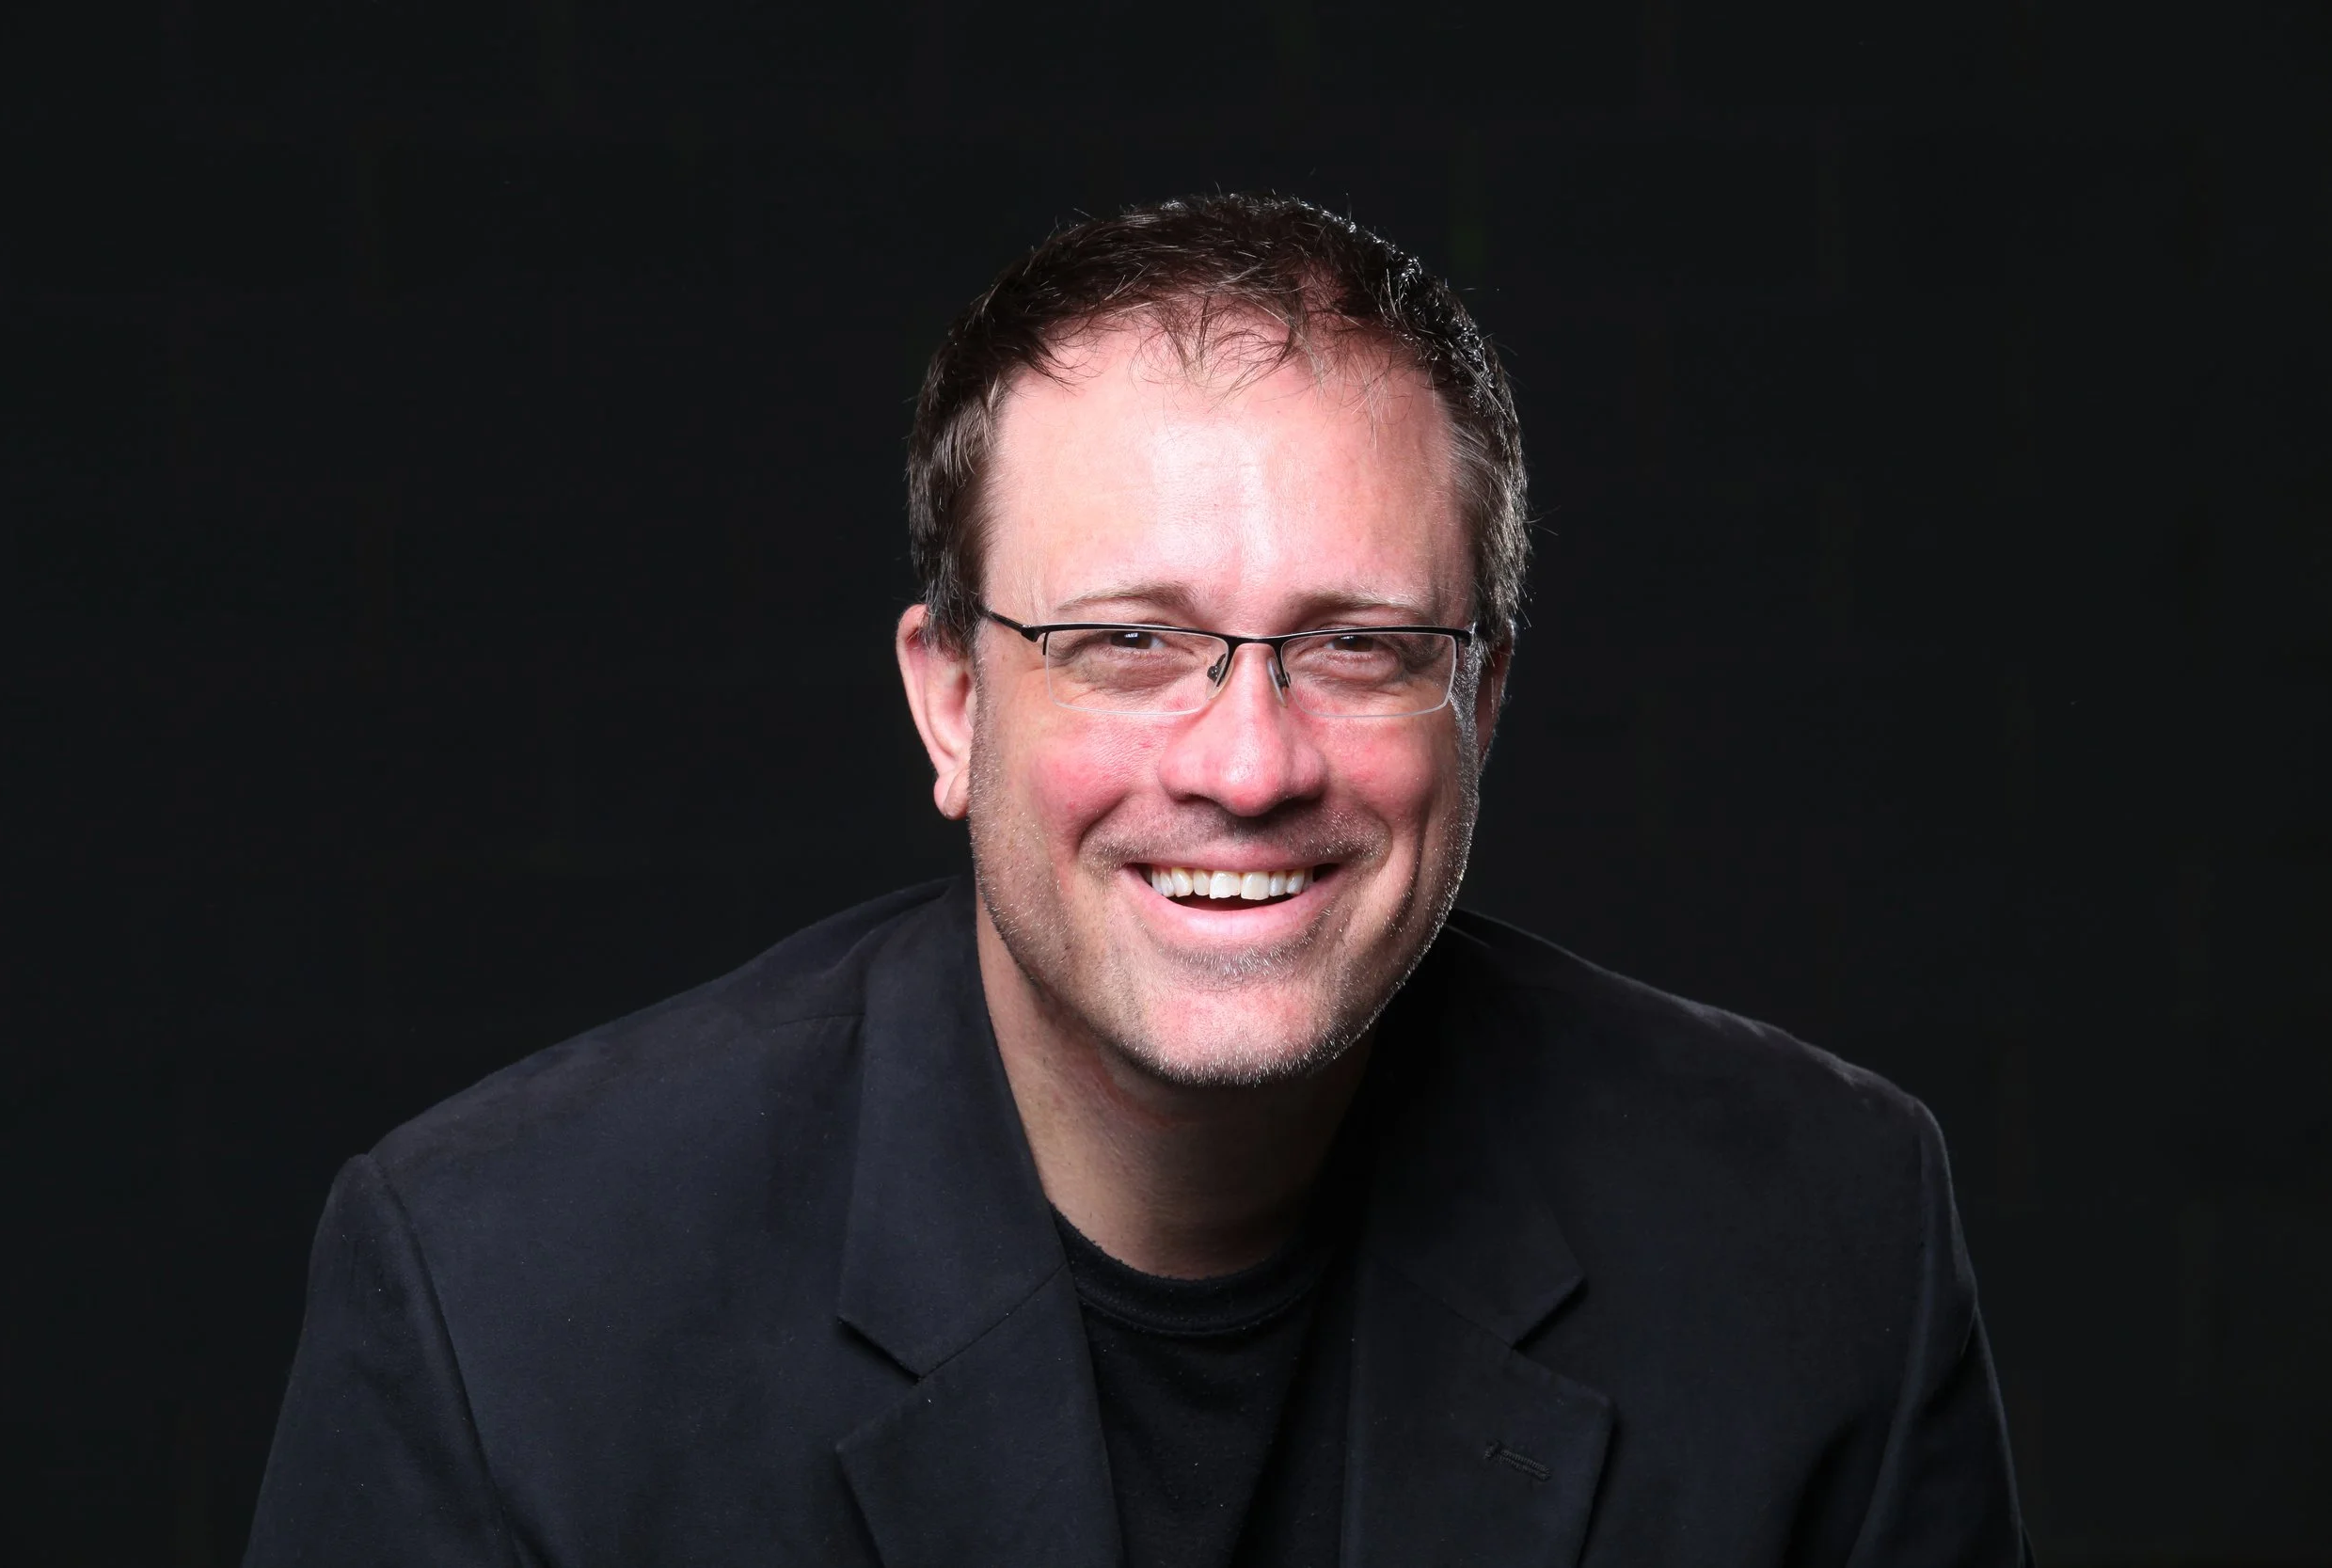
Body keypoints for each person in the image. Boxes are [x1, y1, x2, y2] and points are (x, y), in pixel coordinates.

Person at [245, 193, 2028, 1567]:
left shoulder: (1821, 1241)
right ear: (951, 702)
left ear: (1478, 699)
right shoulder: (506, 1300)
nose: (1245, 764)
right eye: (1123, 643)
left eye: (1358, 644)